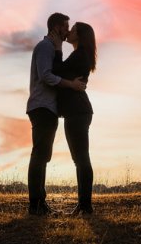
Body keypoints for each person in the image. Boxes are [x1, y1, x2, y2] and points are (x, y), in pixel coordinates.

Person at [26, 12, 86, 216]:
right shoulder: (45, 47)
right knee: (40, 154)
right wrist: (71, 84)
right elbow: (46, 75)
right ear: (56, 27)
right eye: (66, 27)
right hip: (42, 106)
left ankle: (39, 204)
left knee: (43, 155)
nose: (68, 31)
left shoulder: (53, 48)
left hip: (48, 107)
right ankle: (36, 204)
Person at [53, 21, 97, 216]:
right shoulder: (80, 54)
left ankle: (85, 206)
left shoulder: (80, 55)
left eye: (72, 30)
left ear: (79, 35)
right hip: (77, 111)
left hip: (77, 111)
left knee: (81, 159)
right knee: (79, 159)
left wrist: (57, 48)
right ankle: (83, 205)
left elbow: (56, 71)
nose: (69, 32)